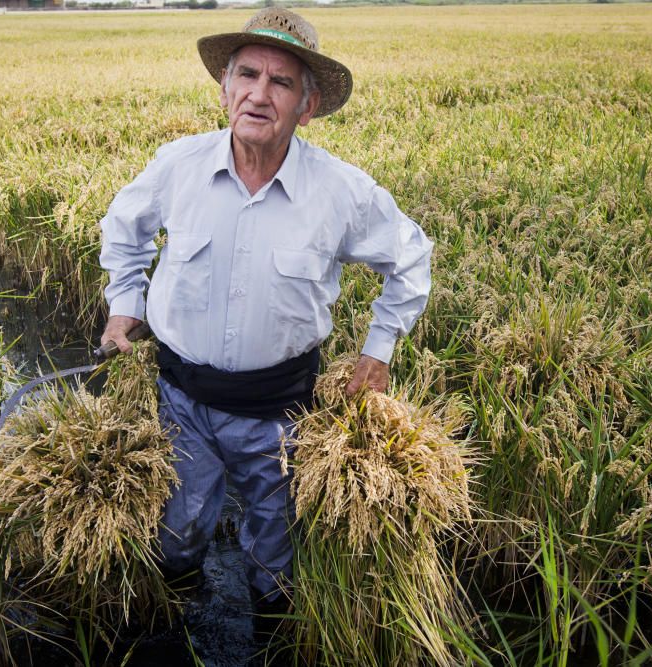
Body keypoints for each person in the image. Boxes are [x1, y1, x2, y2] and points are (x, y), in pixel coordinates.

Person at [98, 7, 433, 620]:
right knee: (178, 535)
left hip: (280, 415)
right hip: (181, 403)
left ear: (306, 107)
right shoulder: (179, 167)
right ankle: (181, 616)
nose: (258, 93)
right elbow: (124, 228)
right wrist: (124, 306)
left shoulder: (341, 192)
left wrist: (378, 350)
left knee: (276, 561)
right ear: (224, 88)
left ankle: (271, 623)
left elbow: (411, 259)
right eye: (247, 74)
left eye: (280, 82)